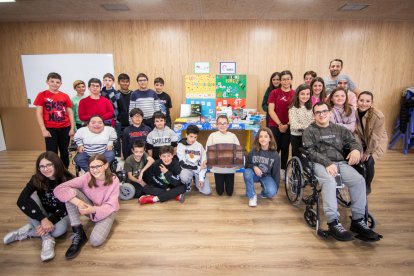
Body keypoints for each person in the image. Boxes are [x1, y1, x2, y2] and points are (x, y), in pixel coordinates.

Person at [302, 102, 381, 242]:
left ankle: (358, 220)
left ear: (330, 113)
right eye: (318, 112)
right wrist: (327, 162)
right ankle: (333, 222)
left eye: (324, 111)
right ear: (314, 116)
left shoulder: (339, 129)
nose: (322, 114)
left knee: (359, 180)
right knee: (330, 181)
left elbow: (353, 141)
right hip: (320, 163)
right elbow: (310, 151)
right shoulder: (309, 131)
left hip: (340, 162)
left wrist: (356, 149)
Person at [3, 151, 73, 261]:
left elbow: (65, 208)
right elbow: (21, 200)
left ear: (57, 164)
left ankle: (27, 231)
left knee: (59, 231)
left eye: (49, 165)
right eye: (42, 166)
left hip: (60, 214)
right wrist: (43, 219)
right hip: (43, 212)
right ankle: (46, 239)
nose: (45, 169)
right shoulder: (36, 178)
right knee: (30, 199)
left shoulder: (68, 179)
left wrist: (50, 220)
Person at [54, 153, 119, 259]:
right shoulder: (86, 177)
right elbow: (59, 189)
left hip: (108, 211)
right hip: (90, 209)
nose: (95, 170)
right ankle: (78, 232)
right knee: (70, 193)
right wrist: (78, 203)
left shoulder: (114, 180)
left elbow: (111, 205)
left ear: (106, 165)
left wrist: (93, 209)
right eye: (92, 167)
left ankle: (103, 221)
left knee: (95, 241)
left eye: (98, 166)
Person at [34, 72, 75, 168]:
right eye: (52, 81)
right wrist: (43, 130)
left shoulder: (65, 96)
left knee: (64, 151)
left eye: (57, 82)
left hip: (65, 127)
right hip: (50, 129)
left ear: (60, 83)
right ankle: (54, 171)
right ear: (47, 82)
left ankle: (65, 170)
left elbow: (70, 113)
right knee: (51, 152)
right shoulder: (42, 95)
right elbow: (39, 113)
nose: (54, 84)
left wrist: (72, 128)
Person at [354, 91, 388, 194]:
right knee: (358, 159)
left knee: (369, 162)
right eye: (361, 100)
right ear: (357, 101)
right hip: (363, 140)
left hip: (377, 143)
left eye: (367, 101)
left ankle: (367, 185)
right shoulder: (354, 113)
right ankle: (359, 181)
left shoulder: (378, 116)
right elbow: (356, 134)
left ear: (372, 103)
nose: (364, 104)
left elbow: (375, 137)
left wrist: (367, 152)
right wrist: (359, 149)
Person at [268, 70, 295, 177]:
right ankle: (271, 170)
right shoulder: (274, 93)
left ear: (291, 80)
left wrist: (287, 124)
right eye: (283, 79)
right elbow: (271, 110)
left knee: (285, 148)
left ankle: (283, 170)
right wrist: (280, 124)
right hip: (275, 125)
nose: (285, 81)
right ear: (280, 81)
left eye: (288, 79)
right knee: (274, 148)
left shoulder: (295, 93)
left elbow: (296, 111)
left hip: (289, 125)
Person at [243, 127, 280, 207]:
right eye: (261, 136)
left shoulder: (275, 154)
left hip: (267, 176)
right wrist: (254, 167)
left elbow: (276, 173)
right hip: (254, 174)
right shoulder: (253, 151)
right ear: (258, 138)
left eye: (266, 136)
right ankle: (252, 196)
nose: (263, 139)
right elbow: (247, 165)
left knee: (271, 192)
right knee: (247, 172)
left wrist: (275, 189)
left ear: (270, 138)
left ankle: (264, 192)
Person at [206, 115, 240, 196]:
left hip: (230, 167)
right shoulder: (212, 136)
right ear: (217, 125)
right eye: (220, 123)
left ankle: (229, 186)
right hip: (218, 167)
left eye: (224, 123)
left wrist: (237, 161)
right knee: (220, 192)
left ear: (228, 124)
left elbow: (238, 150)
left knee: (229, 192)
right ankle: (219, 185)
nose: (222, 125)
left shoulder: (233, 136)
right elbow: (207, 150)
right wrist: (206, 160)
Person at [177, 124, 211, 196]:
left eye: (195, 137)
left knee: (207, 191)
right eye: (191, 136)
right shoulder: (181, 145)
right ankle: (188, 182)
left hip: (198, 170)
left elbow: (203, 164)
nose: (193, 139)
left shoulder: (199, 146)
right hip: (187, 169)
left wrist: (201, 178)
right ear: (186, 135)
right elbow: (182, 164)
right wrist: (198, 168)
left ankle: (196, 181)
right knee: (184, 176)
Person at [288, 84, 314, 158]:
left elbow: (314, 121)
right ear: (297, 95)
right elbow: (294, 125)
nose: (305, 96)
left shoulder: (311, 107)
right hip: (297, 136)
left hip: (309, 136)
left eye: (307, 94)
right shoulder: (293, 108)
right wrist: (309, 127)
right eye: (302, 94)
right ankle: (295, 169)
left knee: (306, 156)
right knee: (297, 156)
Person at [101, 73, 121, 156]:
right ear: (103, 81)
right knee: (104, 140)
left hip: (115, 120)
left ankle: (117, 157)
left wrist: (118, 118)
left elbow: (120, 108)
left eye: (109, 80)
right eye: (105, 80)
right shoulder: (100, 93)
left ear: (113, 82)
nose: (107, 82)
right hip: (103, 120)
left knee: (116, 140)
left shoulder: (117, 93)